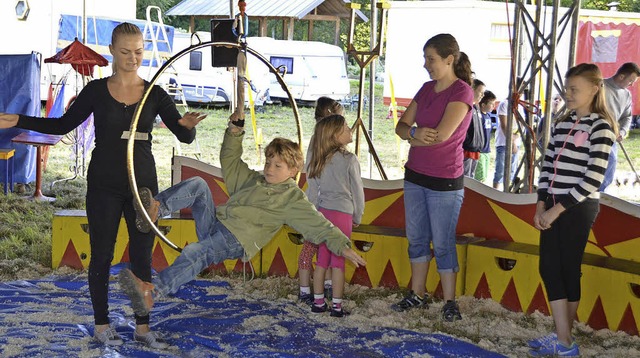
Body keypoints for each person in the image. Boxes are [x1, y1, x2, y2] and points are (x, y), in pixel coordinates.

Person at [0, 23, 206, 348]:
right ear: (112, 50)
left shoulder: (155, 93)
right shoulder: (96, 91)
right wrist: (19, 120)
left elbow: (184, 134)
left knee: (141, 257)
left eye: (138, 51)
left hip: (143, 186)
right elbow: (62, 125)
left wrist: (187, 126)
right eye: (125, 52)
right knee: (102, 255)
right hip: (104, 185)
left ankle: (142, 327)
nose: (133, 58)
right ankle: (101, 324)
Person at [118, 119, 367, 324]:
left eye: (277, 165)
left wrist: (342, 245)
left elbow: (320, 224)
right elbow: (231, 162)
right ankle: (155, 210)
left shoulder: (293, 199)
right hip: (217, 225)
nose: (269, 168)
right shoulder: (255, 181)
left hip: (236, 239)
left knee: (197, 252)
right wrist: (234, 133)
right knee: (198, 185)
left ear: (293, 171)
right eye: (268, 162)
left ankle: (153, 291)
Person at [529, 63, 616, 357]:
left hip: (578, 207)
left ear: (594, 89)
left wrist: (556, 211)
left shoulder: (601, 127)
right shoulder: (563, 123)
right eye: (567, 89)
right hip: (553, 203)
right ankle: (563, 338)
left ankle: (565, 341)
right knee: (549, 267)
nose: (568, 94)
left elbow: (593, 177)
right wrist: (542, 203)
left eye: (574, 89)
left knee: (566, 269)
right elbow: (548, 165)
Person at [392, 33, 473, 321]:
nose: (426, 64)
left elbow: (441, 136)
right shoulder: (426, 89)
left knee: (442, 242)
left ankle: (450, 301)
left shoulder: (462, 91)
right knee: (416, 238)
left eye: (431, 59)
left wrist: (413, 137)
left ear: (449, 60)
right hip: (415, 176)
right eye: (426, 58)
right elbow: (401, 127)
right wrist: (413, 134)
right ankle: (417, 293)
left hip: (445, 181)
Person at [306, 114, 364, 317]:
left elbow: (312, 192)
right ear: (335, 135)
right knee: (338, 263)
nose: (350, 130)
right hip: (343, 213)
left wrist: (312, 217)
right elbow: (358, 191)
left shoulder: (318, 159)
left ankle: (318, 302)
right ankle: (337, 306)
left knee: (321, 260)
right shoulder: (349, 159)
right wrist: (358, 215)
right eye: (346, 128)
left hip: (323, 214)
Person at [297, 96, 344, 305]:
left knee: (321, 248)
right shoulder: (322, 143)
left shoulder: (320, 141)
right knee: (315, 246)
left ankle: (314, 288)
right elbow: (315, 179)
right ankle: (308, 289)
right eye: (341, 120)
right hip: (319, 204)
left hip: (319, 203)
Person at [599, 62, 640, 192]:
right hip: (594, 134)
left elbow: (627, 117)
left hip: (612, 136)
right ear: (621, 76)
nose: (632, 84)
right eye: (631, 80)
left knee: (611, 163)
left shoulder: (626, 95)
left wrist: (622, 131)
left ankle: (599, 194)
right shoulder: (600, 86)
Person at [462, 79, 486, 177]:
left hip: (476, 149)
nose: (482, 95)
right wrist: (467, 141)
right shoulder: (465, 106)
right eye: (481, 92)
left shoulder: (477, 108)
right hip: (467, 149)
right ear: (472, 90)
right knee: (466, 178)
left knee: (472, 178)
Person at [474, 90, 497, 183]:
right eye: (491, 104)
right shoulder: (478, 116)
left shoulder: (488, 116)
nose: (493, 106)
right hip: (480, 151)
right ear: (483, 105)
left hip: (487, 150)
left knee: (485, 176)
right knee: (480, 178)